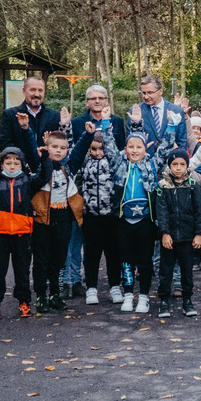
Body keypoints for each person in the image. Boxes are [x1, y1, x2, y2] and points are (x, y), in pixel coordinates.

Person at [0, 142, 52, 320]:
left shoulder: (28, 182)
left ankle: (24, 302)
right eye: (8, 162)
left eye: (16, 163)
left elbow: (45, 175)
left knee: (22, 270)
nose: (12, 166)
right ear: (1, 164)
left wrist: (45, 157)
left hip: (22, 234)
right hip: (0, 234)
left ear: (22, 165)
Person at [108, 107, 168, 314]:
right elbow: (108, 147)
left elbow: (166, 148)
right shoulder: (118, 164)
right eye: (130, 147)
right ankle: (127, 294)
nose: (134, 150)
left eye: (139, 147)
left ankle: (143, 297)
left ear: (145, 149)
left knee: (145, 261)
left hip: (145, 221)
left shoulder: (151, 165)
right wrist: (106, 123)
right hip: (124, 222)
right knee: (125, 260)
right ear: (124, 149)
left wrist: (174, 125)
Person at [31, 128, 95, 314]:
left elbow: (80, 150)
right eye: (54, 147)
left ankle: (55, 295)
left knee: (59, 259)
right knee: (42, 260)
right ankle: (41, 296)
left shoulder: (69, 166)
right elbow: (29, 149)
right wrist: (28, 131)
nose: (58, 150)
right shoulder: (40, 165)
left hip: (64, 218)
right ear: (47, 147)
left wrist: (88, 135)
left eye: (63, 148)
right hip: (43, 220)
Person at [70, 115, 123, 306]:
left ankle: (115, 286)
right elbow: (73, 155)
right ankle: (91, 287)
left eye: (101, 149)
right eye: (94, 149)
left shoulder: (115, 164)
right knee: (92, 253)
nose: (98, 152)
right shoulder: (84, 163)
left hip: (111, 215)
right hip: (90, 215)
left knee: (113, 253)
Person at [154, 148, 201, 318]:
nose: (178, 168)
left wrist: (199, 233)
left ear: (186, 166)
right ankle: (163, 301)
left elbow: (199, 210)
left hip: (187, 236)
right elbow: (161, 212)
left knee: (186, 270)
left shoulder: (192, 185)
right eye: (174, 164)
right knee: (165, 270)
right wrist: (164, 232)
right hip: (169, 238)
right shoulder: (163, 186)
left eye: (182, 164)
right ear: (169, 166)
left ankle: (187, 300)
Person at [0, 76, 61, 160]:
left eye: (40, 90)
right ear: (24, 91)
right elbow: (5, 144)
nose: (36, 94)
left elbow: (60, 144)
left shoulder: (54, 116)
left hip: (47, 167)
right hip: (20, 167)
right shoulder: (11, 115)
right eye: (32, 90)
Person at [136, 74, 187, 156]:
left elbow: (182, 141)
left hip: (170, 163)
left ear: (160, 91)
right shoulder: (136, 112)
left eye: (150, 93)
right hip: (146, 163)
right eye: (144, 93)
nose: (146, 96)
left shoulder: (177, 111)